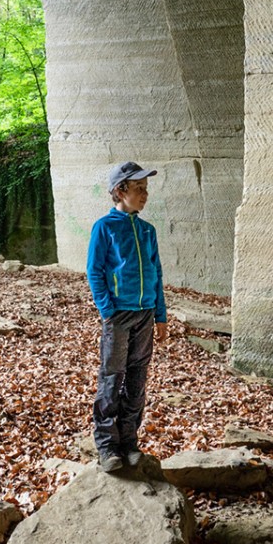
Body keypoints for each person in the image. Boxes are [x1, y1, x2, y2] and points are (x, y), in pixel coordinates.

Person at [86, 160, 169, 472]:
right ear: (120, 191)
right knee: (111, 378)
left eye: (146, 189)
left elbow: (156, 274)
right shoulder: (104, 228)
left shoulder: (147, 231)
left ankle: (129, 442)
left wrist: (160, 316)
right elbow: (95, 272)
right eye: (138, 189)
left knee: (136, 379)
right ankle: (107, 448)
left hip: (145, 316)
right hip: (118, 316)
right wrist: (108, 310)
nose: (144, 194)